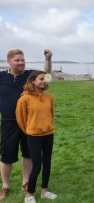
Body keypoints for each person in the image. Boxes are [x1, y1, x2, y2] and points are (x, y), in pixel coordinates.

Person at [0, 49, 52, 200]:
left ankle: (26, 181)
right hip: (9, 123)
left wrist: (48, 59)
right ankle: (5, 186)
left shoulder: (29, 76)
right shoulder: (1, 76)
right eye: (17, 60)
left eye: (23, 60)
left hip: (30, 123)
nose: (21, 62)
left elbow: (46, 76)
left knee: (28, 154)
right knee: (7, 156)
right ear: (9, 61)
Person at [16, 71, 57, 203]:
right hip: (33, 136)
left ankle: (44, 191)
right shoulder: (24, 99)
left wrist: (48, 127)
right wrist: (31, 130)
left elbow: (51, 115)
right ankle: (30, 194)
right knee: (37, 165)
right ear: (32, 81)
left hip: (48, 135)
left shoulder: (49, 97)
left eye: (45, 79)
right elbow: (21, 119)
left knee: (47, 163)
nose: (44, 81)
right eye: (41, 79)